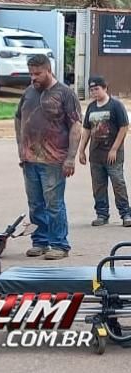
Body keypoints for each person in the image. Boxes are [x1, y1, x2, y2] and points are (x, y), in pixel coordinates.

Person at [15, 54, 82, 260]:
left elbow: (76, 126)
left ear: (49, 71)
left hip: (54, 160)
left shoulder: (65, 93)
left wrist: (70, 158)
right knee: (35, 204)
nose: (33, 77)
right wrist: (20, 146)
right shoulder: (28, 92)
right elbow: (18, 118)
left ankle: (60, 245)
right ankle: (40, 241)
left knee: (54, 204)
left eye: (37, 73)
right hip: (30, 159)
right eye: (31, 73)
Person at [77, 75, 131, 227]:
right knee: (98, 186)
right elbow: (87, 130)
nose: (94, 92)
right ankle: (102, 214)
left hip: (113, 154)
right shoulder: (91, 108)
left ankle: (126, 213)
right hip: (96, 155)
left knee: (118, 183)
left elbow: (124, 127)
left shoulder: (116, 105)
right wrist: (81, 150)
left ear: (105, 88)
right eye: (92, 90)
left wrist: (114, 149)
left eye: (97, 89)